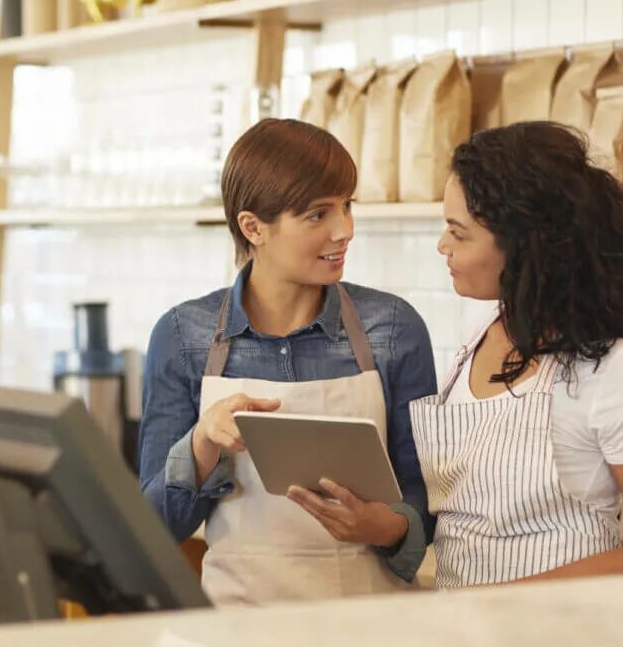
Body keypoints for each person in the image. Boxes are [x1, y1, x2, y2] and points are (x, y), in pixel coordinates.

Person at [138, 118, 437, 606]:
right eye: (318, 215)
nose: (345, 231)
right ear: (253, 227)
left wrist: (387, 527)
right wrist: (202, 443)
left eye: (346, 205)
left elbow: (427, 503)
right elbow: (152, 528)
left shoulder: (393, 329)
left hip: (369, 627)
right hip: (239, 624)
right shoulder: (182, 337)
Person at [410, 121, 623, 588]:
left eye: (458, 233)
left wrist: (506, 600)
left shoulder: (621, 370)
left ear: (526, 247)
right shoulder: (479, 333)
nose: (442, 246)